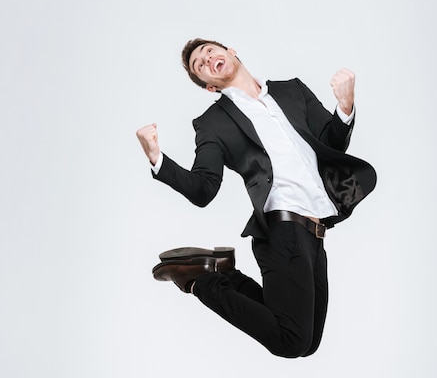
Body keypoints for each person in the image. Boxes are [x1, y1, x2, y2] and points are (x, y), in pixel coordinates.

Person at [136, 38, 376, 358]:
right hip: (282, 230)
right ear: (209, 86)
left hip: (315, 232)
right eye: (199, 66)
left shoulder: (292, 90)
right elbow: (203, 189)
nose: (207, 60)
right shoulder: (213, 123)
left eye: (210, 52)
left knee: (307, 344)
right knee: (290, 341)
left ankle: (222, 274)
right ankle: (201, 281)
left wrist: (345, 106)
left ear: (230, 51)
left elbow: (330, 143)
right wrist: (157, 158)